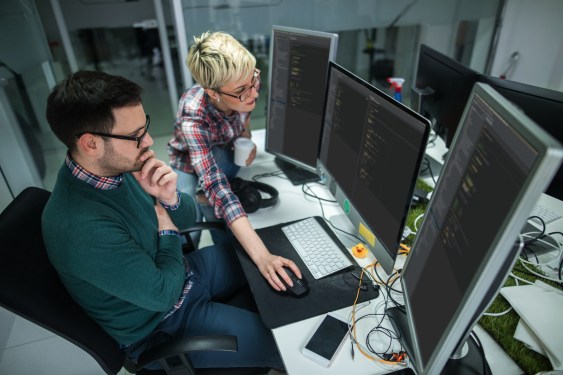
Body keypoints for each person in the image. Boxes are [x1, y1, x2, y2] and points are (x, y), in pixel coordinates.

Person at [41, 70, 284, 371]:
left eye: (145, 128)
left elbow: (183, 218)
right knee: (284, 342)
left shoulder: (116, 167)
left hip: (182, 274)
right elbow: (162, 295)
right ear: (90, 144)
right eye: (135, 136)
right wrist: (167, 233)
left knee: (273, 251)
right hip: (162, 321)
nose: (148, 142)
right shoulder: (78, 226)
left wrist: (168, 198)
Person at [168, 31, 302, 289]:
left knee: (224, 227)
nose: (253, 94)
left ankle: (230, 260)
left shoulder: (244, 88)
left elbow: (245, 112)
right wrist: (263, 257)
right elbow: (216, 184)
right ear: (213, 93)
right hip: (188, 163)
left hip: (221, 150)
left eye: (254, 79)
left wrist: (245, 134)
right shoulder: (193, 116)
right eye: (242, 90)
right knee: (187, 228)